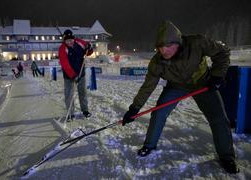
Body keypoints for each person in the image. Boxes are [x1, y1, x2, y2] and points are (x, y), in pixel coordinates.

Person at [122, 21, 239, 174]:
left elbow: (222, 52)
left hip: (202, 83)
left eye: (168, 45)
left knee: (219, 118)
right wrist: (134, 108)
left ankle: (226, 156)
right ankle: (149, 145)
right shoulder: (157, 62)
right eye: (160, 47)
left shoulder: (197, 43)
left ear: (178, 42)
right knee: (158, 113)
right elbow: (147, 87)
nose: (164, 50)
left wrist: (217, 76)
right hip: (176, 87)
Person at [58, 29, 93, 120]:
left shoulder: (79, 43)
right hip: (68, 75)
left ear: (74, 39)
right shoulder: (62, 49)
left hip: (81, 73)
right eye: (67, 40)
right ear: (64, 40)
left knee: (83, 92)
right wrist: (73, 76)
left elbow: (87, 48)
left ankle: (85, 110)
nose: (70, 42)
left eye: (71, 40)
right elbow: (64, 64)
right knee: (69, 94)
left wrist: (89, 49)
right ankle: (71, 114)